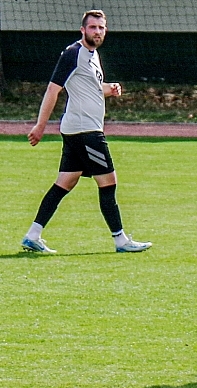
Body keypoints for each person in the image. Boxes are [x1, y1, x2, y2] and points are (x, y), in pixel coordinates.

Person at [21, 11, 150, 255]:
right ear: (83, 30)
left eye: (101, 27)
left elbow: (89, 88)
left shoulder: (93, 55)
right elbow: (53, 89)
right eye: (93, 27)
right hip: (86, 131)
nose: (97, 32)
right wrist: (40, 126)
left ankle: (33, 235)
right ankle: (121, 240)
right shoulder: (73, 53)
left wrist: (108, 89)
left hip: (78, 130)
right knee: (108, 182)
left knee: (65, 182)